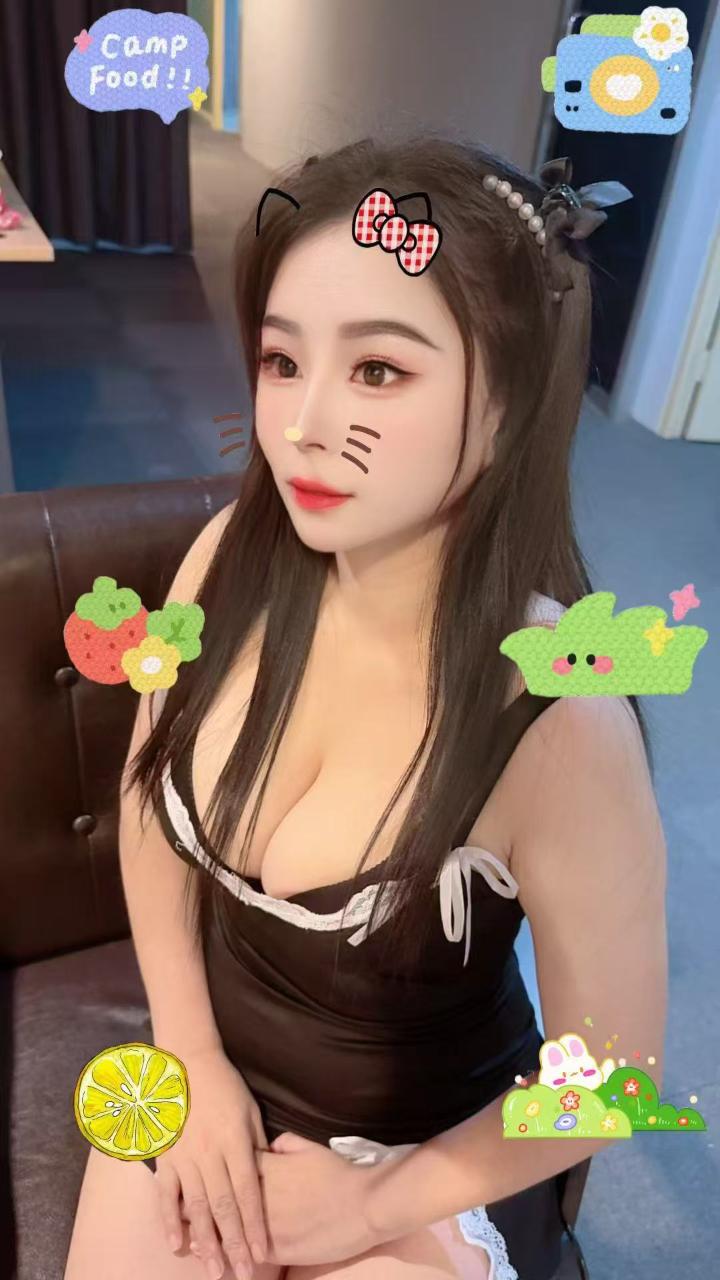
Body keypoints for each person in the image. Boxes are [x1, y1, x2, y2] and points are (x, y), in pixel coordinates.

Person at [63, 132, 667, 1280]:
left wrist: (374, 1203)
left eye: (379, 369)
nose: (301, 423)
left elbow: (617, 1073)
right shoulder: (222, 560)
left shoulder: (561, 715)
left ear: (508, 398)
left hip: (426, 1154)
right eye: (282, 359)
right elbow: (151, 812)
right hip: (213, 1074)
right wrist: (190, 1056)